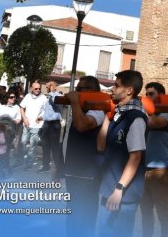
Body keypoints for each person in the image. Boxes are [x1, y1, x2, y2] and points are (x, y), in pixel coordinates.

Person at [96, 70, 148, 237]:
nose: (112, 88)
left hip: (123, 194)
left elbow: (136, 157)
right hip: (108, 188)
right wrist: (107, 118)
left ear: (129, 91)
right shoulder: (118, 115)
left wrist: (119, 189)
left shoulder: (136, 118)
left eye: (116, 85)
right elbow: (100, 146)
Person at [64, 75, 106, 237]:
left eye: (81, 89)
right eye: (77, 88)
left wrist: (75, 102)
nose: (77, 91)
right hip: (73, 171)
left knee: (85, 216)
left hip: (87, 174)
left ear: (93, 91)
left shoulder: (98, 108)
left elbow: (82, 126)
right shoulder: (81, 108)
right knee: (72, 215)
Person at [141, 82, 168, 237]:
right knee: (145, 211)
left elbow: (153, 123)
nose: (148, 97)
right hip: (144, 169)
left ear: (161, 96)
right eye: (146, 94)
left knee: (162, 212)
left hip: (161, 170)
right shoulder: (146, 112)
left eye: (151, 94)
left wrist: (144, 109)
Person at [38, 81, 65, 179]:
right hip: (47, 123)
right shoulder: (48, 97)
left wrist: (53, 91)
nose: (46, 89)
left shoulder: (58, 96)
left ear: (52, 86)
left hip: (54, 124)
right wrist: (41, 117)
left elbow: (55, 102)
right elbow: (47, 111)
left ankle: (59, 170)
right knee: (45, 146)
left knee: (55, 148)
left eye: (47, 87)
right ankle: (45, 166)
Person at [18, 81, 47, 170]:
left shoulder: (44, 98)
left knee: (32, 146)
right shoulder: (27, 96)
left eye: (39, 88)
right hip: (26, 124)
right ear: (32, 88)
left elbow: (47, 111)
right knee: (22, 143)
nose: (38, 90)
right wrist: (24, 119)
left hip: (37, 126)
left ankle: (29, 164)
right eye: (36, 88)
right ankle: (19, 162)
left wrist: (41, 117)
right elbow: (22, 107)